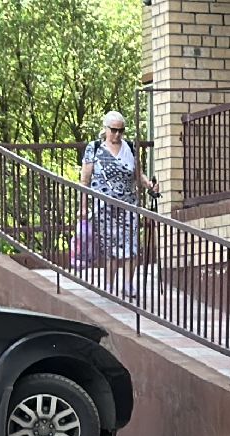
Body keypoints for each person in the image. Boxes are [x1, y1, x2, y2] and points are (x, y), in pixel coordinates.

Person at [79, 111, 158, 297]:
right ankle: (109, 285)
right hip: (104, 206)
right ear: (105, 129)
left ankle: (128, 284)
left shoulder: (129, 147)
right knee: (110, 247)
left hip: (128, 204)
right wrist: (83, 207)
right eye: (113, 130)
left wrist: (149, 184)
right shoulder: (95, 148)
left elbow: (138, 175)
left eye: (120, 130)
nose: (117, 134)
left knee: (131, 245)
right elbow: (85, 180)